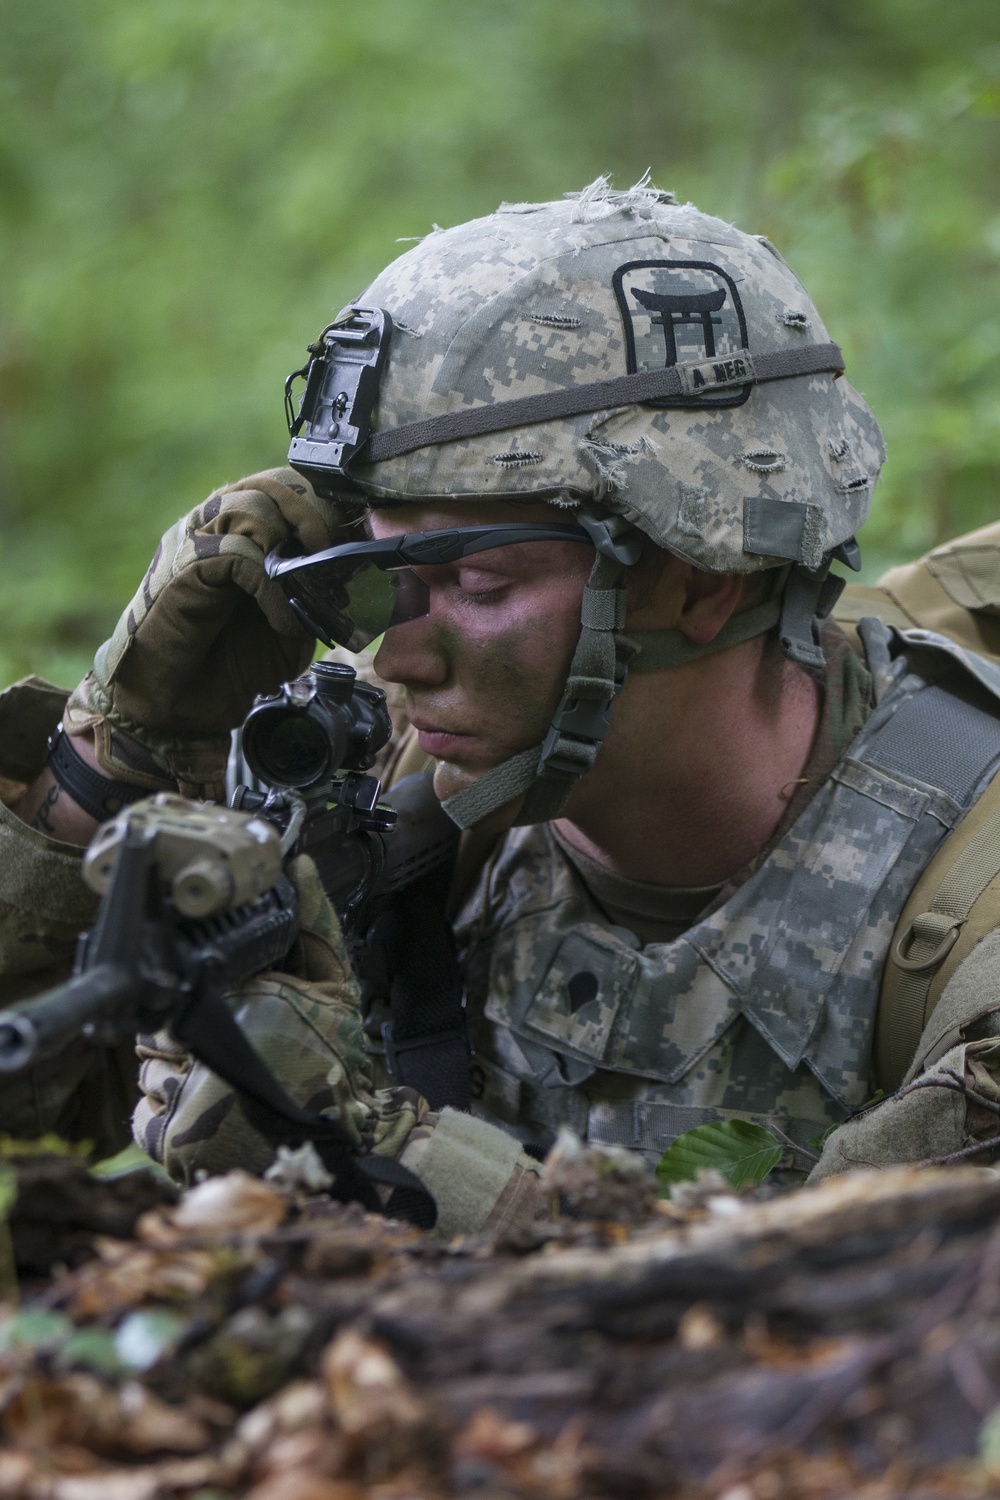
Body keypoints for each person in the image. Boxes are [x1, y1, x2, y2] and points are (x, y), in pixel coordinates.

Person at [5, 179, 1000, 1233]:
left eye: (475, 582)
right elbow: (38, 1127)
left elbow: (829, 1337)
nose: (397, 658)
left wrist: (382, 1165)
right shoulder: (389, 796)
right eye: (381, 575)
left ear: (704, 577)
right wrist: (112, 762)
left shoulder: (966, 925)